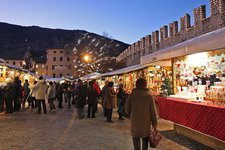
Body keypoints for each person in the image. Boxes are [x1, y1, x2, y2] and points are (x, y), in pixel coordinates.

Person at [125, 78, 158, 150]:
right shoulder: (149, 96)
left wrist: (131, 114)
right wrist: (154, 123)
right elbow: (153, 111)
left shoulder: (132, 95)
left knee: (136, 139)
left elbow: (127, 108)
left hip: (135, 121)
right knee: (145, 140)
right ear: (145, 85)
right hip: (146, 123)